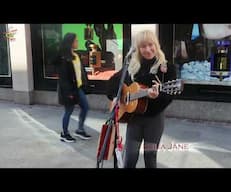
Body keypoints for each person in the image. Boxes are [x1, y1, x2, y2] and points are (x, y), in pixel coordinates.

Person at [106, 30, 177, 168]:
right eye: (143, 46)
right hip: (134, 119)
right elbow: (113, 83)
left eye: (150, 45)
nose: (148, 49)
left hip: (154, 121)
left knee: (150, 158)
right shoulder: (132, 66)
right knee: (130, 158)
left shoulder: (167, 68)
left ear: (156, 45)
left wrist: (158, 96)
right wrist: (116, 96)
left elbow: (169, 96)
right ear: (138, 49)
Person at [56, 32, 91, 142]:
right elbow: (63, 78)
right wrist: (69, 93)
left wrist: (85, 84)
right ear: (70, 42)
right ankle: (64, 133)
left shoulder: (76, 55)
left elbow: (80, 72)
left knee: (85, 107)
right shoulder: (63, 58)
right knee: (68, 111)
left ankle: (80, 130)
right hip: (68, 90)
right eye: (76, 40)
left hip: (78, 88)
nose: (77, 42)